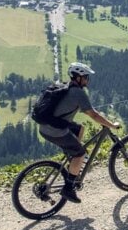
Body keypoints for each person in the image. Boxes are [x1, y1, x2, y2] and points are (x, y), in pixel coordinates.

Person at [38, 61, 121, 204]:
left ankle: (72, 158)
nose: (88, 80)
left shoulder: (65, 86)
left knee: (80, 128)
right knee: (80, 153)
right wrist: (111, 125)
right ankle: (69, 188)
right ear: (78, 77)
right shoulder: (78, 93)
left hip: (45, 127)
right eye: (86, 77)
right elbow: (93, 115)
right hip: (56, 131)